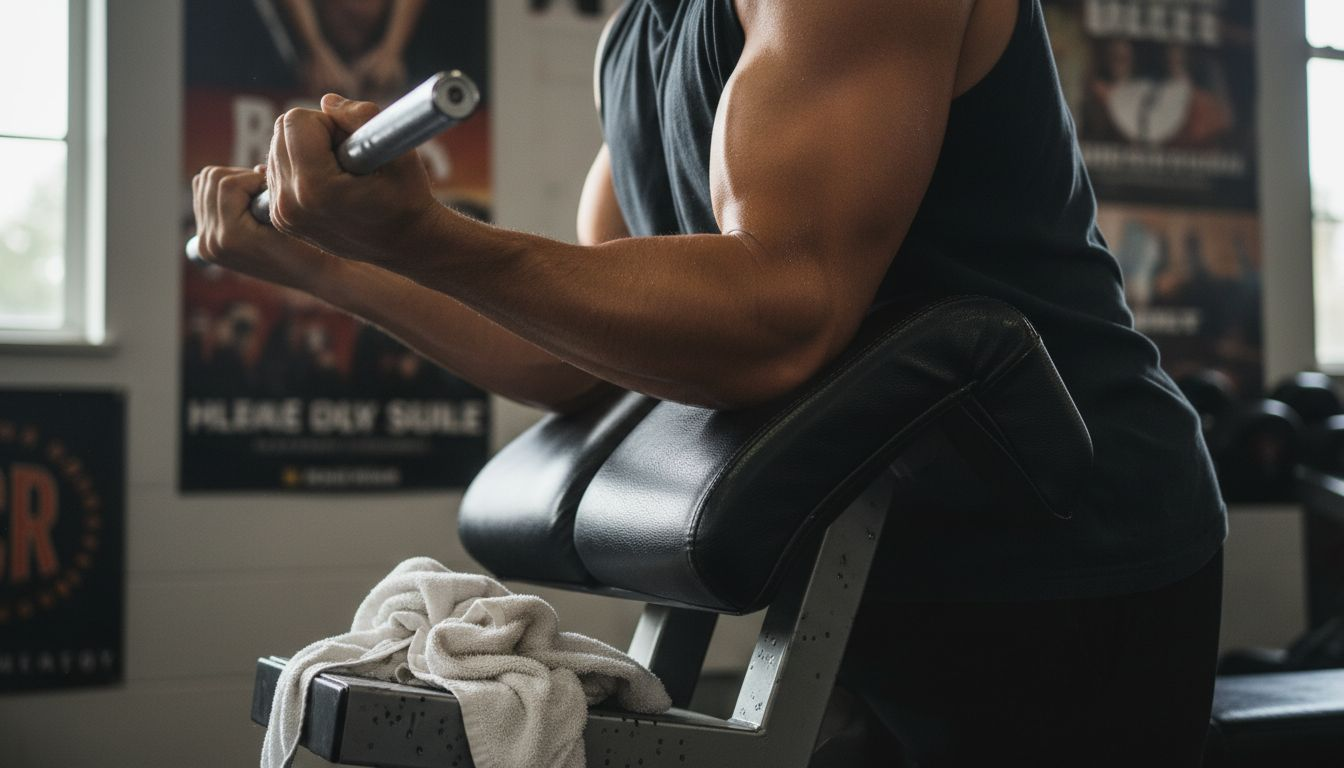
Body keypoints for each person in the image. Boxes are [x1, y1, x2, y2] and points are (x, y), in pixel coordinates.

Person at [191, 0, 1227, 763]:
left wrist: (429, 236)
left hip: (1067, 548)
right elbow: (569, 354)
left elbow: (784, 306)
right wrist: (331, 260)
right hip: (862, 565)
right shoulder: (634, 39)